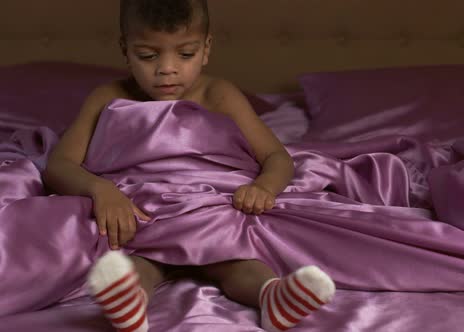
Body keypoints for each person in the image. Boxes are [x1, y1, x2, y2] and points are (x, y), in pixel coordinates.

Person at [41, 1, 335, 331]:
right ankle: (130, 301)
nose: (167, 69)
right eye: (148, 56)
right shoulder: (107, 97)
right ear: (125, 49)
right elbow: (59, 165)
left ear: (206, 48)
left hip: (209, 205)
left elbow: (276, 157)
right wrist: (100, 189)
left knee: (235, 258)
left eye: (185, 54)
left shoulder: (218, 94)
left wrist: (263, 188)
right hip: (141, 209)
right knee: (138, 261)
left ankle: (271, 297)